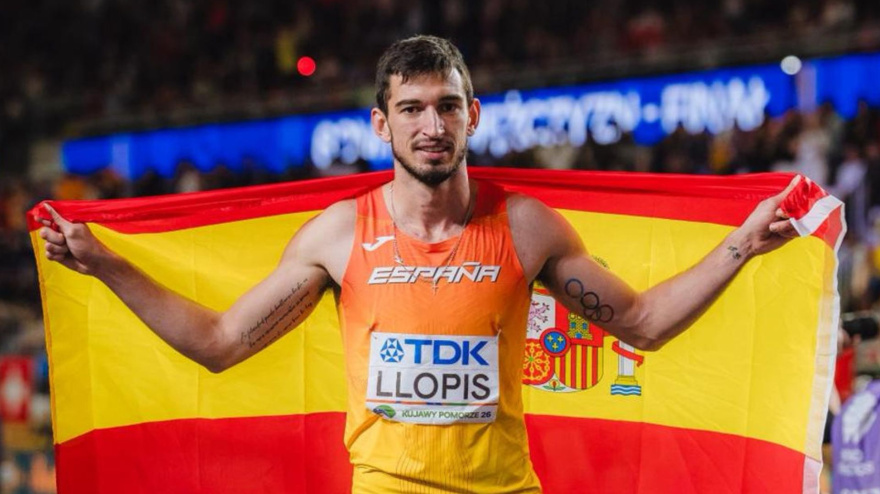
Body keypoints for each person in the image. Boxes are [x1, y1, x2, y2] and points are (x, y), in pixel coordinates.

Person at [39, 35, 800, 493]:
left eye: (446, 106)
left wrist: (741, 244)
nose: (431, 126)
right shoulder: (339, 237)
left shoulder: (525, 227)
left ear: (473, 116)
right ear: (381, 124)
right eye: (411, 109)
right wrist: (106, 266)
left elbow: (641, 324)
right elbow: (218, 342)